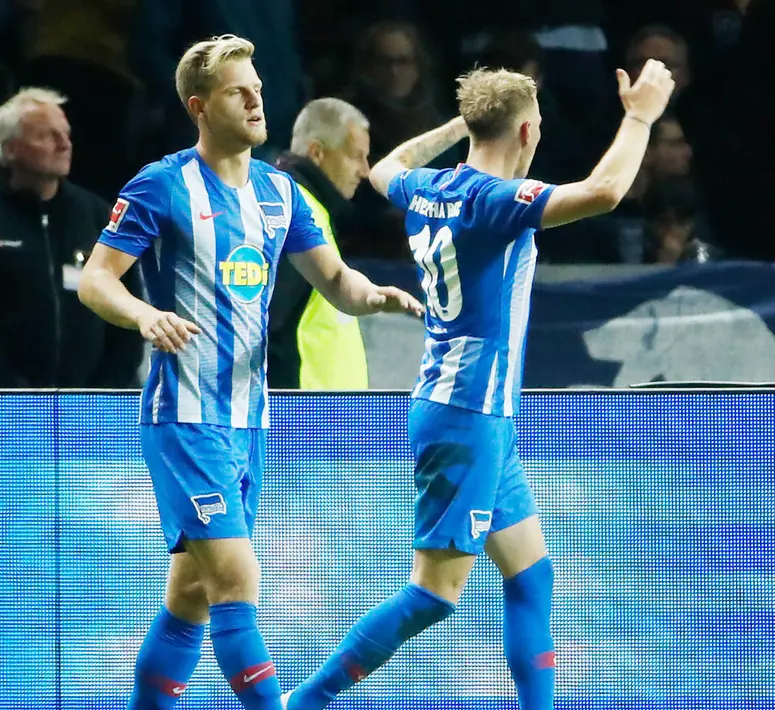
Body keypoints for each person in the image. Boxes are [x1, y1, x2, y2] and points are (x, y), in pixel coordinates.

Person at [283, 61, 675, 710]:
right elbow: (605, 191)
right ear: (526, 130)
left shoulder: (429, 187)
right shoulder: (497, 203)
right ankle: (304, 702)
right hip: (466, 416)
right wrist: (639, 116)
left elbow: (384, 167)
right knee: (432, 595)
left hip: (469, 412)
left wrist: (458, 123)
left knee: (530, 575)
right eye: (538, 128)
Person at [77, 35, 423, 710]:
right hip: (183, 417)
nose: (256, 100)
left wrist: (374, 295)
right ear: (200, 107)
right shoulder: (161, 183)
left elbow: (336, 283)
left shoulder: (279, 193)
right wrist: (144, 317)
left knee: (190, 600)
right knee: (237, 583)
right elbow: (94, 280)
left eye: (259, 88)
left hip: (247, 421)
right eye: (240, 92)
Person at [0, 87, 142, 389]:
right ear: (10, 148)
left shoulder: (99, 217)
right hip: (2, 405)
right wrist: (7, 388)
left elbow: (128, 308)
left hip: (93, 404)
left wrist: (106, 387)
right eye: (47, 136)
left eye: (66, 134)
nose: (64, 144)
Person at [269, 97, 373, 390]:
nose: (364, 171)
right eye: (355, 156)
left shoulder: (306, 206)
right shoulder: (296, 211)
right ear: (317, 153)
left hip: (321, 414)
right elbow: (270, 326)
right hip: (304, 415)